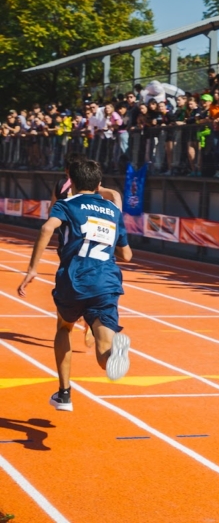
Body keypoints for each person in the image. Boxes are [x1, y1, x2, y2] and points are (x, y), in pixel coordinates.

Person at [18, 159, 133, 412]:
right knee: (104, 347)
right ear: (99, 184)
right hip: (106, 282)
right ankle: (116, 356)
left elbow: (48, 227)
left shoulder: (66, 204)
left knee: (64, 328)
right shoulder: (113, 210)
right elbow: (127, 256)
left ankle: (64, 394)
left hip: (74, 280)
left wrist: (32, 269)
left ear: (72, 183)